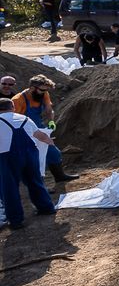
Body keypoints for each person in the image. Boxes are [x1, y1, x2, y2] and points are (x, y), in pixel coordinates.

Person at [0, 97, 57, 228]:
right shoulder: (25, 119)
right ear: (13, 107)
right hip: (30, 154)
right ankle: (46, 208)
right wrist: (51, 143)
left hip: (7, 156)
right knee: (35, 181)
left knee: (9, 187)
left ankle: (15, 220)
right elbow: (40, 135)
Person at [12, 75, 78, 183]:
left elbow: (49, 110)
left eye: (46, 90)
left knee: (53, 152)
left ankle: (59, 176)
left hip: (39, 127)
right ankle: (38, 184)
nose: (45, 92)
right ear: (32, 88)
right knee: (33, 157)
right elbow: (13, 120)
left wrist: (51, 120)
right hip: (24, 130)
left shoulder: (43, 94)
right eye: (42, 90)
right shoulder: (18, 100)